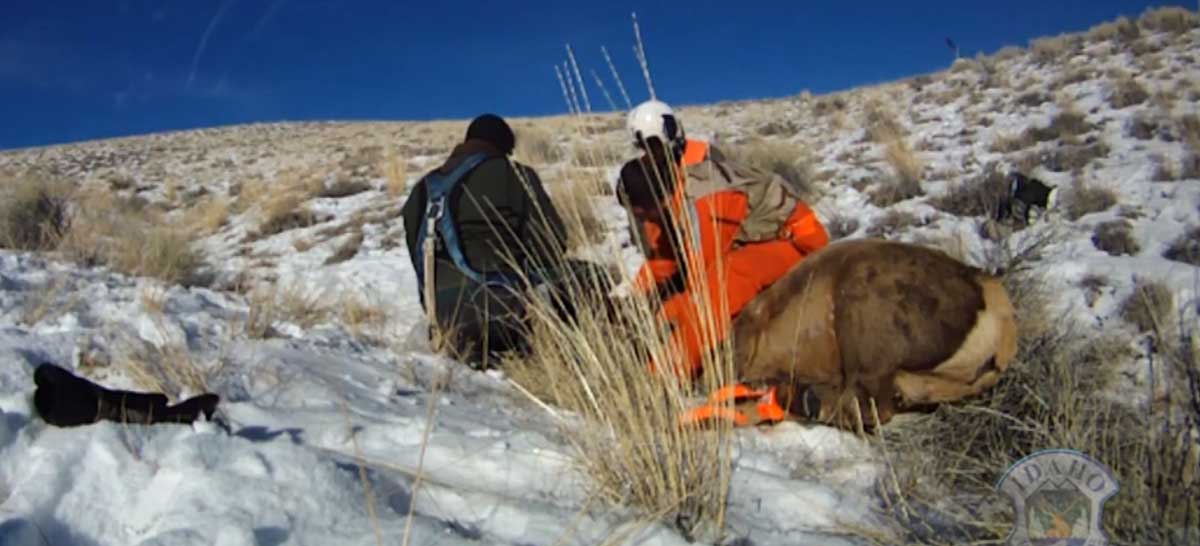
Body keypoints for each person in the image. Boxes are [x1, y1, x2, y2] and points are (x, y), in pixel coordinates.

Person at [616, 100, 830, 380]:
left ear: (657, 203)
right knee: (672, 307)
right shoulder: (665, 187)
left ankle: (665, 378)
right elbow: (663, 260)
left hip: (797, 244)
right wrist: (634, 296)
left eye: (641, 213)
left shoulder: (701, 200)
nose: (641, 220)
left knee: (721, 284)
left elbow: (705, 289)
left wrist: (665, 368)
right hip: (744, 242)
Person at [401, 114, 569, 368]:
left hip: (442, 317)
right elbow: (551, 244)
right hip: (502, 310)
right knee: (589, 276)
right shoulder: (514, 174)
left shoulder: (422, 189)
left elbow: (417, 256)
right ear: (504, 147)